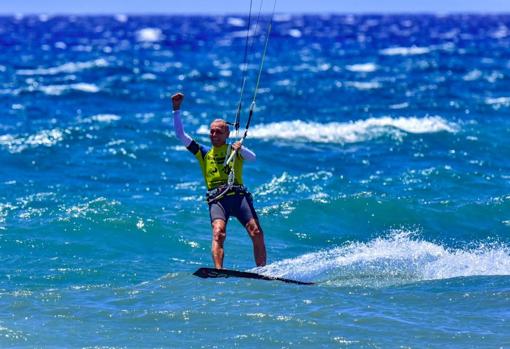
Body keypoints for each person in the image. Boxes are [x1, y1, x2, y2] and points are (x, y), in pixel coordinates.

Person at [171, 92, 266, 269]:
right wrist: (176, 109)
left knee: (256, 232)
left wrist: (241, 149)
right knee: (218, 233)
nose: (213, 134)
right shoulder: (203, 152)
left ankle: (262, 270)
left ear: (227, 133)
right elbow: (180, 135)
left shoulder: (234, 149)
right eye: (211, 131)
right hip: (218, 200)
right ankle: (218, 271)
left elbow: (252, 158)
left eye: (218, 132)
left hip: (238, 197)